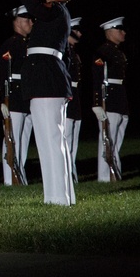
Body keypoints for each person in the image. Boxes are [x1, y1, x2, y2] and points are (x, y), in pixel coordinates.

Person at [15, 0, 80, 205]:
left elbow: (32, 5)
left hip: (46, 80)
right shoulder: (58, 14)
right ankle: (62, 196)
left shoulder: (55, 11)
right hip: (48, 79)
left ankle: (57, 198)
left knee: (50, 140)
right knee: (54, 139)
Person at [0, 5, 34, 186]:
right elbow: (4, 74)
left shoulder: (29, 44)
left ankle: (19, 175)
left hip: (27, 97)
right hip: (14, 97)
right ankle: (9, 178)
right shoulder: (10, 45)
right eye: (27, 20)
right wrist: (2, 99)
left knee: (24, 140)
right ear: (18, 21)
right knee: (12, 140)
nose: (31, 23)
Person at [92, 16, 128, 182]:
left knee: (116, 139)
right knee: (107, 138)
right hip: (110, 98)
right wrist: (97, 102)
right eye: (119, 30)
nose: (123, 32)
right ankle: (105, 176)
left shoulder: (118, 52)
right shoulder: (103, 52)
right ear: (110, 31)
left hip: (119, 98)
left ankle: (115, 171)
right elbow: (98, 78)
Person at [64, 17, 83, 183]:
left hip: (74, 96)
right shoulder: (64, 51)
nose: (79, 33)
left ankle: (72, 173)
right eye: (76, 30)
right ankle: (67, 172)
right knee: (67, 137)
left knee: (74, 140)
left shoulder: (74, 53)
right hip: (67, 97)